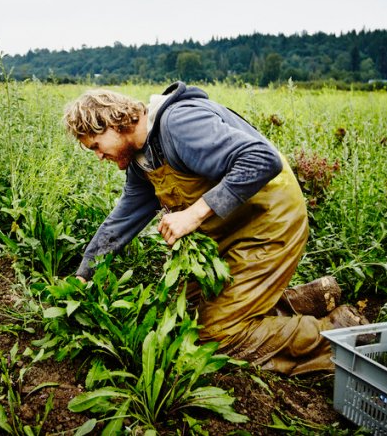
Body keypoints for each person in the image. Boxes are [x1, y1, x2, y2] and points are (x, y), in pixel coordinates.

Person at [62, 82, 366, 375]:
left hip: (269, 220)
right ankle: (307, 299)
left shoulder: (179, 123)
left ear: (113, 124)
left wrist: (193, 215)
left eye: (96, 147)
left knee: (215, 337)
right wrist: (83, 275)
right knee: (186, 319)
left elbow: (261, 159)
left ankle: (343, 334)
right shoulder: (143, 159)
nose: (99, 156)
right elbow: (121, 221)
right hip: (228, 229)